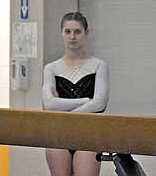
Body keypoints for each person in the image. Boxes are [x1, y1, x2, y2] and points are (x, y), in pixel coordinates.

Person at [42, 12, 109, 176]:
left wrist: (64, 108)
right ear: (61, 32)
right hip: (58, 134)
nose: (72, 37)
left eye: (77, 31)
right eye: (68, 31)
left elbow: (100, 103)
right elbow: (49, 104)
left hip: (88, 134)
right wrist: (85, 101)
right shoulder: (51, 68)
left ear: (86, 32)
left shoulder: (99, 65)